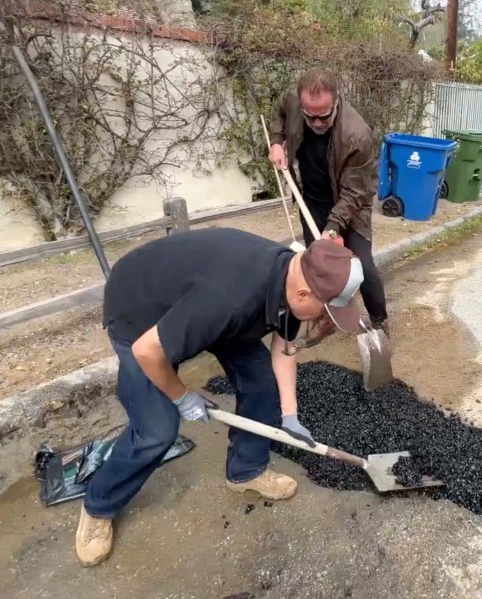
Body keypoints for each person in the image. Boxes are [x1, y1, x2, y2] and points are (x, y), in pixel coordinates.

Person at [75, 227, 364, 567]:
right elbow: (148, 351)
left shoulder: (289, 278)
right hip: (139, 312)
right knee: (157, 429)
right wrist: (181, 397)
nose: (324, 319)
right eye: (324, 311)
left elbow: (285, 348)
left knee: (262, 384)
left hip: (202, 307)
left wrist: (290, 415)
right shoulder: (230, 298)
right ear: (302, 294)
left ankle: (246, 471)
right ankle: (99, 505)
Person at [268, 68, 389, 343]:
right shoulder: (295, 102)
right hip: (311, 200)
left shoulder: (357, 135)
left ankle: (380, 324)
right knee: (316, 265)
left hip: (350, 203)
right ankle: (324, 316)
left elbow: (356, 192)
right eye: (310, 116)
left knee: (363, 267)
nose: (317, 122)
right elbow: (281, 113)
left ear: (336, 101)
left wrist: (333, 228)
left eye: (324, 115)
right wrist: (277, 142)